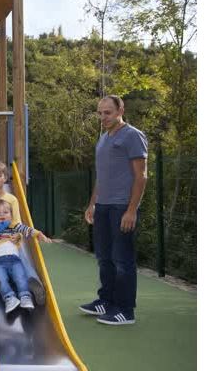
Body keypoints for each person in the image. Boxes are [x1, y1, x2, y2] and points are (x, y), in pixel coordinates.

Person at [80, 95, 148, 325]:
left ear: (120, 110)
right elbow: (102, 176)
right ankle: (106, 301)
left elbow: (141, 176)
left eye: (107, 113)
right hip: (103, 207)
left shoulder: (132, 136)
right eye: (99, 113)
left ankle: (125, 311)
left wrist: (131, 210)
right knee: (104, 258)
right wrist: (93, 204)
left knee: (123, 260)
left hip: (121, 207)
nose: (102, 117)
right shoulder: (103, 138)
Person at [0, 161, 46, 306]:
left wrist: (18, 236)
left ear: (5, 177)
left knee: (22, 258)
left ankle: (36, 286)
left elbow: (17, 222)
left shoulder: (12, 199)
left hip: (10, 237)